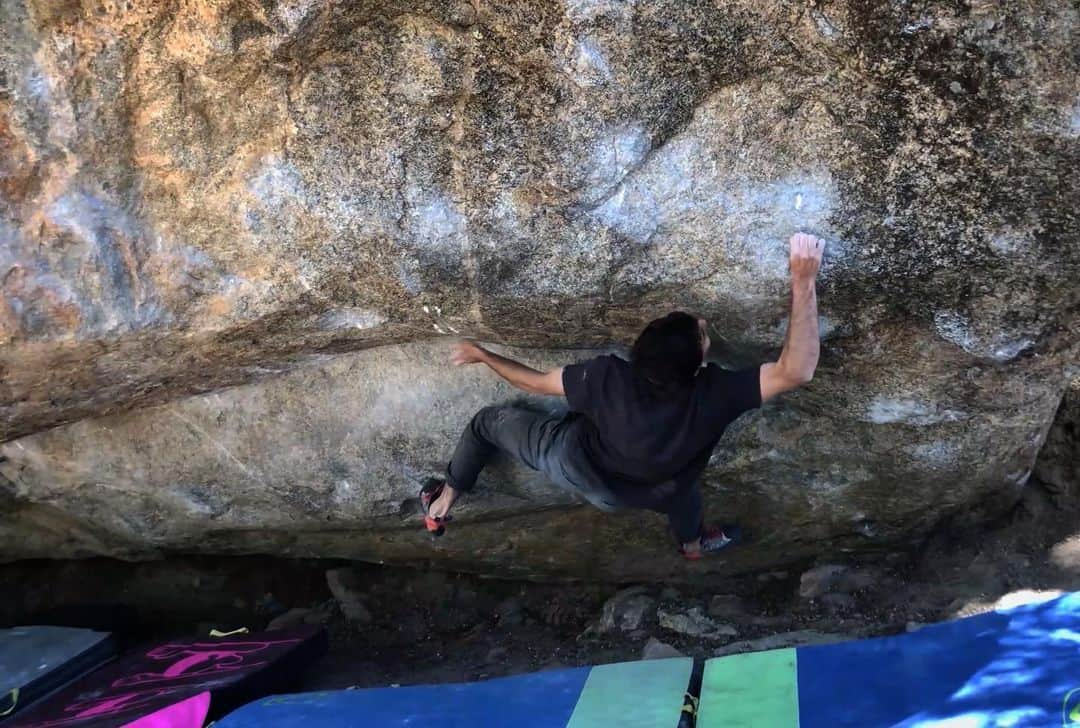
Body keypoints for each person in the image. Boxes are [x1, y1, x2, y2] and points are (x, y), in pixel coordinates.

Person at [420, 232, 824, 559]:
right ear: (698, 366)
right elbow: (796, 369)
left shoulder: (606, 378)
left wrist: (483, 355)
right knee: (684, 495)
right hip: (655, 488)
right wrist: (803, 280)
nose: (703, 325)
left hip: (585, 471)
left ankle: (443, 503)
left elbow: (534, 383)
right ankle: (693, 546)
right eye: (701, 334)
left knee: (488, 424)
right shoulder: (715, 395)